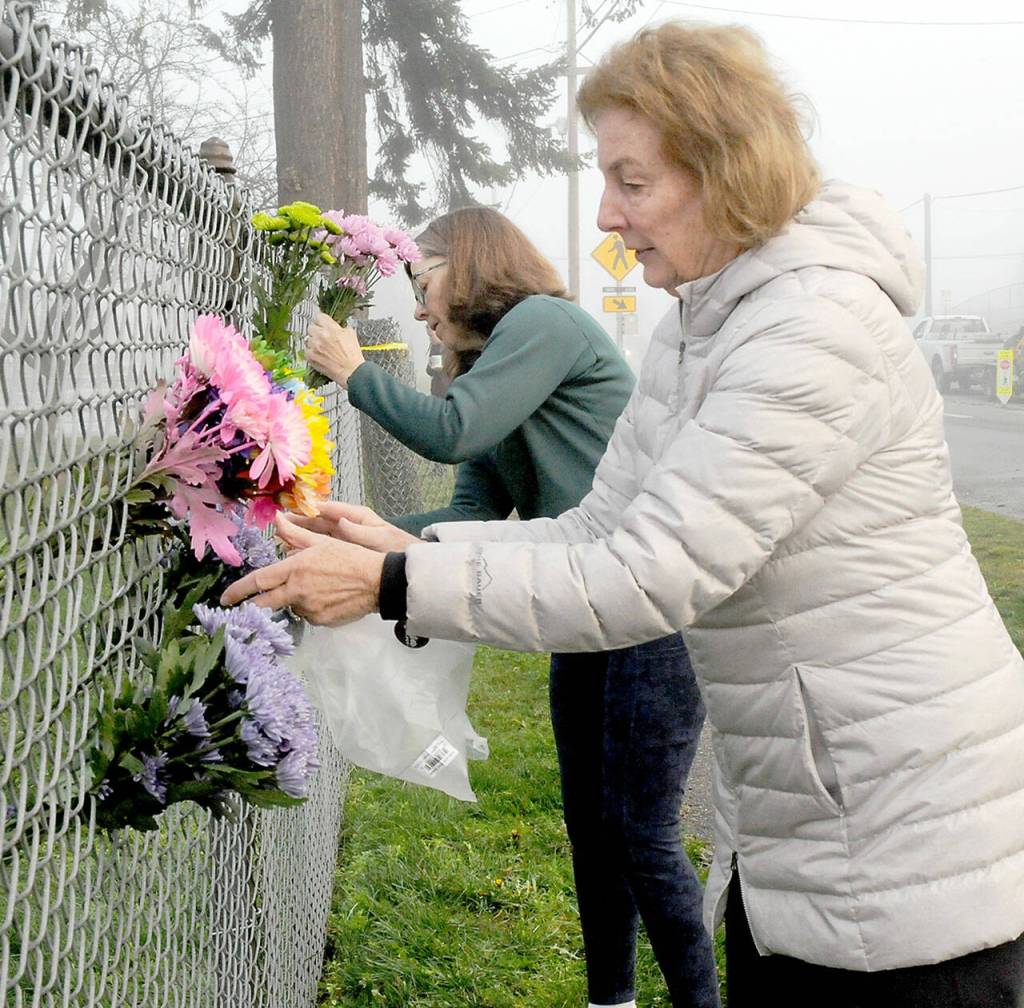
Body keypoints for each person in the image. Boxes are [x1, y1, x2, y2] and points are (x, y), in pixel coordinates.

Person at [225, 21, 1024, 1007]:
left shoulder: (811, 328)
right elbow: (598, 526)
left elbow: (647, 573)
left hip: (910, 852)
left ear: (728, 168)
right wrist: (407, 544)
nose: (606, 214)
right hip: (815, 829)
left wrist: (396, 583)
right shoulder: (705, 325)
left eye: (631, 181)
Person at [302, 206, 720, 1008]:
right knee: (593, 831)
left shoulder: (546, 323)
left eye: (422, 283)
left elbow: (452, 433)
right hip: (585, 604)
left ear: (469, 264)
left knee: (641, 833)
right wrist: (365, 534)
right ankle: (613, 1003)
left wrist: (356, 374)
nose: (419, 309)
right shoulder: (496, 365)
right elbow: (475, 510)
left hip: (649, 606)